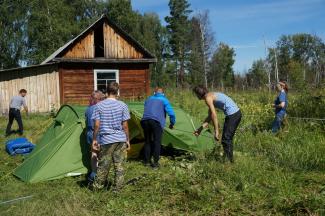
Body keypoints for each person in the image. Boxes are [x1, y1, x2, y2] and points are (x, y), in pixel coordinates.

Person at [91, 82, 130, 191]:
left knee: (104, 165)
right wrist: (127, 139)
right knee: (119, 165)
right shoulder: (123, 105)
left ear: (106, 91)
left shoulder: (99, 105)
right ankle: (118, 188)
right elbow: (125, 126)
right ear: (117, 92)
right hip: (120, 139)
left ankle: (98, 188)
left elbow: (97, 125)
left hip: (106, 140)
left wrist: (94, 139)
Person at [193, 86, 241, 163]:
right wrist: (200, 129)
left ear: (199, 93)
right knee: (227, 139)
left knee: (226, 139)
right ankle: (228, 159)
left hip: (233, 115)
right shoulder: (210, 95)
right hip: (235, 114)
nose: (196, 96)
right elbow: (210, 117)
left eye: (196, 94)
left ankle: (229, 162)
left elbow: (214, 115)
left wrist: (216, 131)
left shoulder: (208, 99)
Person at [141, 87, 176, 169]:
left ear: (154, 93)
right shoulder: (164, 100)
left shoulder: (148, 99)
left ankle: (146, 162)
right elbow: (172, 114)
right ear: (163, 93)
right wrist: (172, 123)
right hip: (156, 122)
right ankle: (155, 164)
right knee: (157, 142)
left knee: (147, 141)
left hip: (144, 121)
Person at [85, 90, 103, 183]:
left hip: (88, 134)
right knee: (100, 155)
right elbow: (99, 124)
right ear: (99, 98)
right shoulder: (100, 108)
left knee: (93, 153)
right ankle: (97, 175)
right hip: (97, 133)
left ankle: (93, 172)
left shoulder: (88, 109)